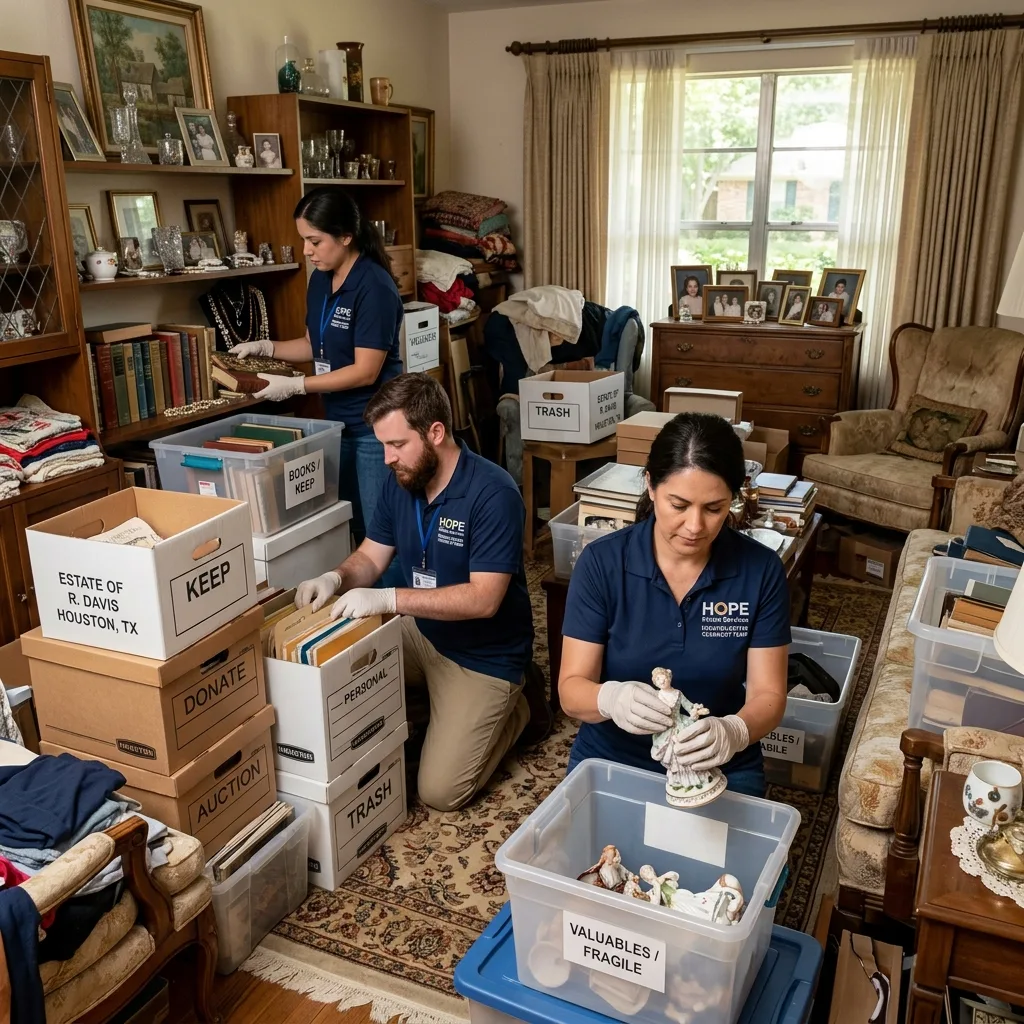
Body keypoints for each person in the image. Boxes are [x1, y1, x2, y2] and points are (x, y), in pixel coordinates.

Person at [294, 374, 549, 811]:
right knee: (341, 674)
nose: (388, 458)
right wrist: (334, 579)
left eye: (397, 444)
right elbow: (371, 558)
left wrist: (389, 599)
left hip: (484, 656)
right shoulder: (405, 481)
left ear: (435, 432)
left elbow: (484, 599)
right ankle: (436, 706)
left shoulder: (494, 493)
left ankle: (521, 706)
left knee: (439, 792)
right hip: (423, 633)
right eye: (383, 446)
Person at [557, 413, 790, 797]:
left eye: (715, 509)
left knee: (728, 857)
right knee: (594, 856)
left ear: (734, 497)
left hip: (716, 760)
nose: (695, 526)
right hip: (613, 755)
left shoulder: (760, 571)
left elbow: (769, 694)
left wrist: (734, 731)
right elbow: (571, 690)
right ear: (650, 485)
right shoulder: (602, 564)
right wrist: (610, 698)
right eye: (678, 505)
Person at [230, 188, 404, 544]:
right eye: (303, 240)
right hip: (336, 425)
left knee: (381, 535)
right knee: (346, 523)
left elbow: (365, 371)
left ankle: (391, 601)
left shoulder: (375, 287)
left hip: (378, 429)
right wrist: (266, 347)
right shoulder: (320, 280)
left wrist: (296, 386)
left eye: (314, 241)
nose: (307, 251)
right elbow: (314, 344)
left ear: (345, 237)